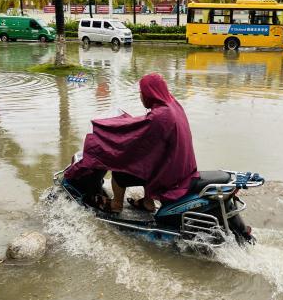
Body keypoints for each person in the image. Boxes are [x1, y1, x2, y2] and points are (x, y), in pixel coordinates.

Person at [63, 73, 198, 213]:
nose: (141, 96)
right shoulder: (172, 105)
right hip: (179, 168)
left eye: (141, 92)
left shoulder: (160, 116)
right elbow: (146, 129)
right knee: (150, 157)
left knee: (119, 163)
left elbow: (139, 133)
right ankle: (148, 202)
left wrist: (108, 135)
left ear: (150, 93)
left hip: (168, 172)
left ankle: (116, 205)